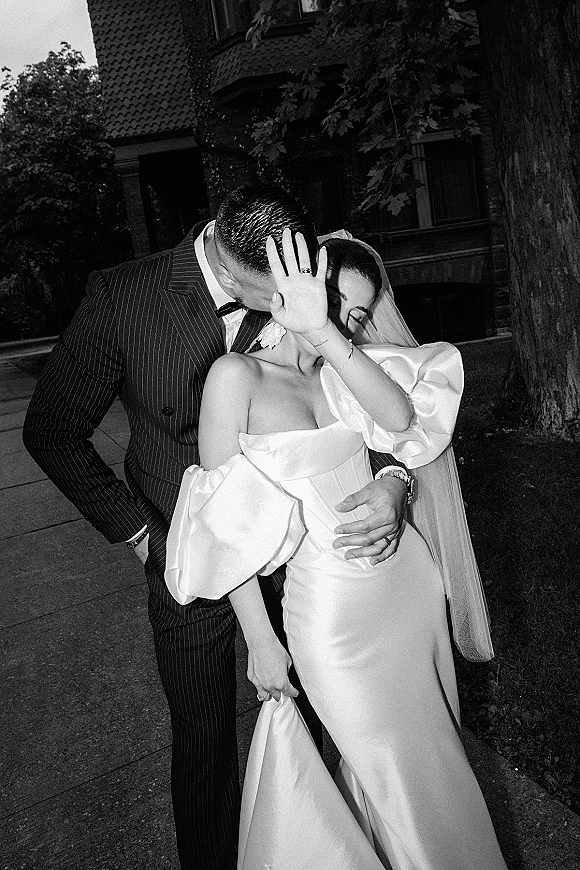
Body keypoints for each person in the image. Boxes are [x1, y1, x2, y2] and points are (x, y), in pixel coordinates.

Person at [22, 183, 413, 870]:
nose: (293, 309)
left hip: (316, 573)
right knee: (204, 750)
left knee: (333, 733)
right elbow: (51, 431)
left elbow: (362, 403)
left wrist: (392, 479)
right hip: (192, 564)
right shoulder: (123, 298)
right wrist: (144, 534)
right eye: (272, 299)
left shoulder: (306, 278)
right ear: (229, 270)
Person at [165, 232, 507, 869]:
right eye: (330, 302)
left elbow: (403, 423)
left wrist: (394, 479)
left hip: (408, 588)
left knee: (432, 758)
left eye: (354, 316)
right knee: (388, 769)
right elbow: (227, 529)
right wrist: (262, 644)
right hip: (328, 616)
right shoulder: (234, 376)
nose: (343, 325)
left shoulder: (343, 367)